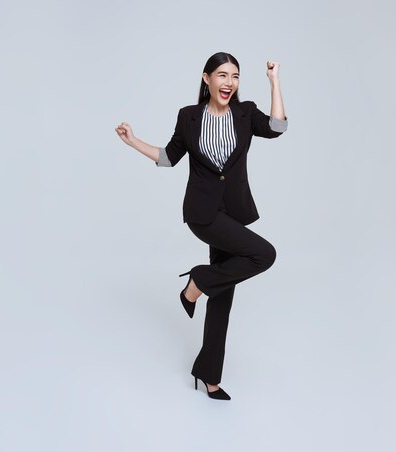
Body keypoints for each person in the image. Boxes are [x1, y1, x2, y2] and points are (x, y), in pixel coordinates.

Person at [115, 52, 288, 401]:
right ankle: (197, 282)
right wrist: (133, 141)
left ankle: (208, 375)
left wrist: (274, 81)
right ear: (206, 78)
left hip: (234, 211)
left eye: (235, 77)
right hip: (203, 213)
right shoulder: (189, 117)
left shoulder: (245, 113)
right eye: (222, 75)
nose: (229, 83)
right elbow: (169, 157)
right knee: (264, 254)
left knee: (223, 296)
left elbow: (278, 127)